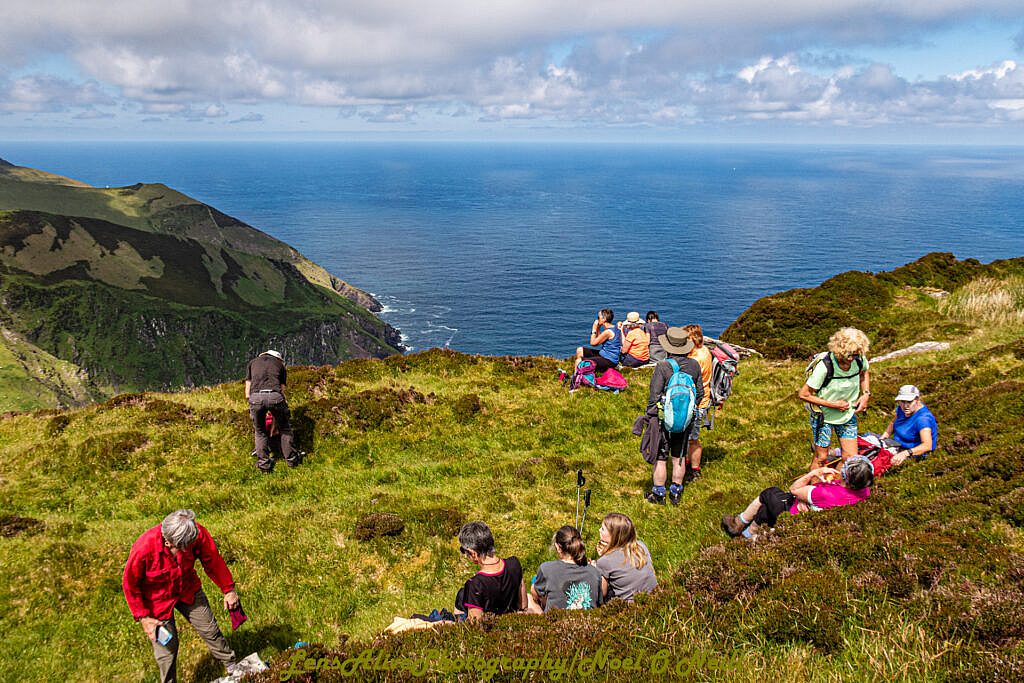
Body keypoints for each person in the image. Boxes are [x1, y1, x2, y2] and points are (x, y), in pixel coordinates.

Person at [123, 510, 240, 683]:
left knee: (210, 630)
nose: (184, 551)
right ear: (168, 541)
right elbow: (130, 584)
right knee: (166, 649)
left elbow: (213, 560)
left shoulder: (194, 532)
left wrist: (228, 589)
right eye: (180, 547)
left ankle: (233, 668)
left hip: (187, 588)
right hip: (156, 600)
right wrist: (144, 618)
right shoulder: (144, 548)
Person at [721, 455, 874, 540]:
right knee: (766, 508)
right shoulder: (864, 492)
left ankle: (740, 524)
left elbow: (794, 489)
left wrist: (813, 473)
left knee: (770, 493)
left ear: (846, 475)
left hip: (794, 516)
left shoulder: (825, 494)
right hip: (811, 514)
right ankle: (747, 535)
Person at [797, 328, 871, 470]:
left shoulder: (859, 360)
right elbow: (804, 394)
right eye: (849, 355)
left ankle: (839, 482)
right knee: (821, 458)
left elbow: (864, 373)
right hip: (823, 417)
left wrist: (866, 394)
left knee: (850, 458)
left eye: (855, 354)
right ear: (840, 350)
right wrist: (834, 405)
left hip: (847, 415)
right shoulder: (825, 366)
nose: (852, 358)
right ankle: (815, 483)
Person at [646, 327, 704, 505]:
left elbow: (654, 396)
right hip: (685, 420)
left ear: (668, 347)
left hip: (664, 419)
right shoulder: (694, 365)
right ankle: (676, 493)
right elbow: (700, 393)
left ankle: (659, 494)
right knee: (679, 456)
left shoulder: (663, 366)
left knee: (661, 457)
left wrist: (650, 417)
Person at [454, 521, 527, 622]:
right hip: (514, 622)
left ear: (473, 553)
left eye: (465, 551)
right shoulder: (514, 564)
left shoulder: (475, 584)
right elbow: (523, 606)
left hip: (492, 629)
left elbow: (475, 624)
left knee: (461, 596)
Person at [527, 525, 605, 613]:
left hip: (556, 620)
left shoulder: (547, 569)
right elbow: (599, 603)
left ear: (558, 547)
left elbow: (535, 594)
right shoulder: (594, 572)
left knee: (529, 598)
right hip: (588, 620)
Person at [245, 349, 299, 472]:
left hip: (256, 398)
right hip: (275, 396)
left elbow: (247, 393)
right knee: (285, 429)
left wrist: (256, 402)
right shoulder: (280, 365)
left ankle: (264, 465)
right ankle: (292, 461)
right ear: (278, 359)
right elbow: (282, 390)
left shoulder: (252, 363)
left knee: (260, 431)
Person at [594, 513, 657, 602]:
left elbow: (601, 593)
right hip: (656, 597)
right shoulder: (641, 546)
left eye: (603, 529)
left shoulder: (604, 561)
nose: (599, 530)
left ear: (613, 535)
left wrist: (597, 564)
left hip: (630, 606)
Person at [881, 385, 938, 467]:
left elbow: (927, 445)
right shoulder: (902, 409)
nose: (905, 406)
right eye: (902, 401)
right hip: (897, 446)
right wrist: (884, 437)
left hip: (912, 454)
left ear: (917, 400)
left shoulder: (923, 419)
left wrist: (905, 453)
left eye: (909, 402)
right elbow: (893, 422)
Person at [683, 324, 713, 483]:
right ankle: (689, 462)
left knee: (692, 438)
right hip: (703, 398)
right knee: (690, 436)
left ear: (692, 339)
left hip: (698, 402)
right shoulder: (705, 351)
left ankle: (694, 470)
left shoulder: (696, 359)